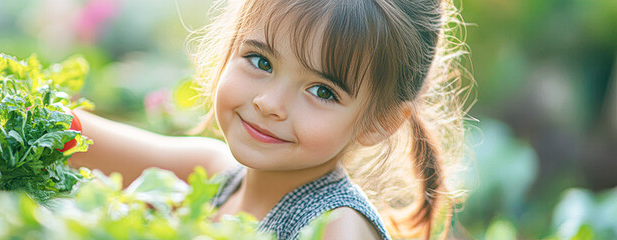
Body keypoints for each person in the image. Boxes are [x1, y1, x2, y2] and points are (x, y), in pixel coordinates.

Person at [69, 0, 471, 239]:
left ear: (378, 122)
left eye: (322, 91)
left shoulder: (335, 229)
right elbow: (69, 135)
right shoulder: (212, 175)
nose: (269, 102)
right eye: (260, 61)